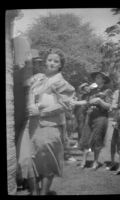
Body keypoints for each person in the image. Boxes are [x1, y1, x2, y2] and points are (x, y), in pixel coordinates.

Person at [16, 48, 87, 195]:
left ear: (61, 65)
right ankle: (34, 192)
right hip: (31, 126)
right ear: (45, 61)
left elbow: (65, 105)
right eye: (50, 60)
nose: (52, 63)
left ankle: (43, 193)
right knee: (28, 160)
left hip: (49, 127)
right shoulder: (39, 78)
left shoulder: (62, 83)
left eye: (56, 61)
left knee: (47, 162)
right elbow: (25, 86)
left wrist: (40, 111)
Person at [79, 71, 112, 169]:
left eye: (99, 77)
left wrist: (100, 101)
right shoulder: (92, 90)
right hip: (90, 116)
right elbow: (86, 100)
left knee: (97, 139)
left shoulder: (107, 91)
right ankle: (83, 161)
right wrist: (86, 106)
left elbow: (109, 106)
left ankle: (95, 162)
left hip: (101, 117)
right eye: (96, 77)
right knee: (85, 137)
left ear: (103, 80)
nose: (96, 79)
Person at [106, 70, 120, 175]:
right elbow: (114, 106)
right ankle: (116, 163)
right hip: (119, 120)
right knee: (115, 143)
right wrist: (114, 118)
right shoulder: (118, 93)